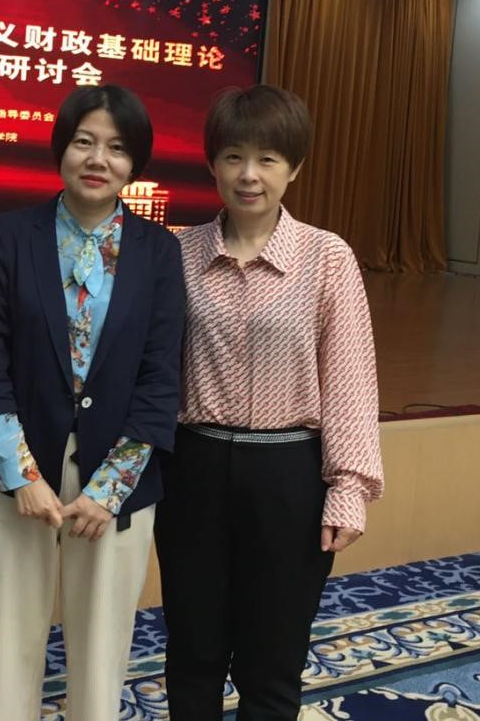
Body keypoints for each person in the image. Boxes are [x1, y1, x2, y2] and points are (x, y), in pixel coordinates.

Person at [155, 83, 384, 720]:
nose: (248, 175)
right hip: (194, 471)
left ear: (294, 168)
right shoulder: (177, 253)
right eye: (233, 156)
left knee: (273, 661)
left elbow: (350, 378)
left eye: (268, 159)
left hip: (289, 476)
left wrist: (349, 487)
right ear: (212, 164)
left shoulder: (327, 257)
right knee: (193, 652)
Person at [0, 84, 184, 721]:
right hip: (15, 475)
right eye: (84, 141)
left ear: (134, 163)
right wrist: (22, 475)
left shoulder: (158, 250)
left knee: (101, 651)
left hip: (116, 482)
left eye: (116, 148)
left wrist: (109, 489)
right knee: (10, 641)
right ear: (62, 148)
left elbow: (160, 378)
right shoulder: (10, 235)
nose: (98, 159)